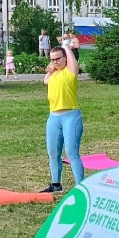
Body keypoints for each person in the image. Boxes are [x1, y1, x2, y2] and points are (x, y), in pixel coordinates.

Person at [41, 43, 83, 193]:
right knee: (53, 152)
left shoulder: (70, 72)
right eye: (52, 59)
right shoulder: (53, 75)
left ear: (65, 58)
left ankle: (80, 186)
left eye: (58, 58)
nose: (55, 61)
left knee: (72, 152)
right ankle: (56, 184)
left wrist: (66, 47)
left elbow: (74, 62)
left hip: (71, 116)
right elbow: (45, 79)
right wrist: (52, 67)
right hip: (54, 118)